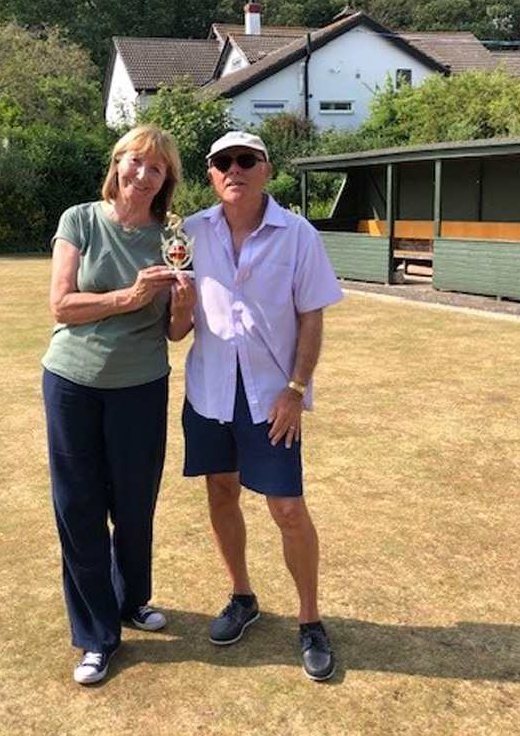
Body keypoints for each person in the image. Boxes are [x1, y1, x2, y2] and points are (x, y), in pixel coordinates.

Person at [168, 131, 344, 681]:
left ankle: (310, 621)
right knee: (220, 491)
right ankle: (242, 596)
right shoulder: (190, 233)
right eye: (223, 162)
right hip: (209, 392)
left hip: (271, 399)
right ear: (210, 175)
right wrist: (177, 307)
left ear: (267, 169)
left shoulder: (298, 235)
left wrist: (296, 389)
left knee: (287, 509)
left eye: (247, 160)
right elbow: (177, 329)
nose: (234, 169)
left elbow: (313, 315)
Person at [41, 125, 195, 685]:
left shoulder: (172, 239)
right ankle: (96, 635)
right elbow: (61, 305)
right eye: (135, 162)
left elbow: (177, 333)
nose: (142, 175)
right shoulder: (79, 219)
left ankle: (132, 601)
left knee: (134, 506)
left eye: (156, 169)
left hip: (141, 385)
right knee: (79, 507)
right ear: (117, 163)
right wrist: (127, 298)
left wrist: (184, 303)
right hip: (72, 382)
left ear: (166, 181)